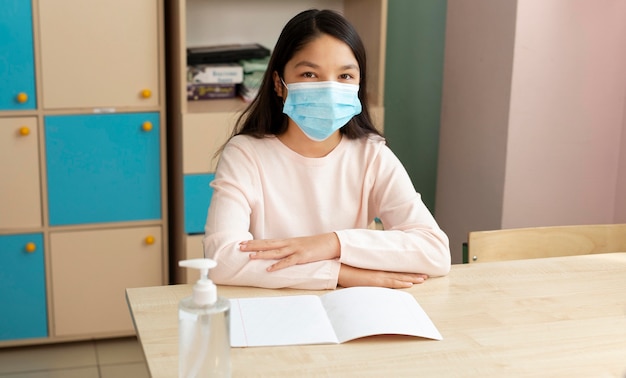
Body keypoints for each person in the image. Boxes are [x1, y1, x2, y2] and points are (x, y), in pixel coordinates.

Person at [203, 9, 450, 290]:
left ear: (359, 84)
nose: (329, 90)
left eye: (344, 76)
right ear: (278, 83)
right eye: (309, 74)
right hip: (270, 309)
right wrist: (340, 274)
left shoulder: (371, 154)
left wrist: (331, 243)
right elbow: (222, 260)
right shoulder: (245, 154)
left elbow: (435, 251)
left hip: (351, 308)